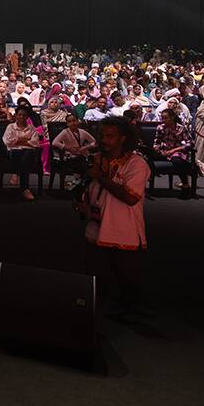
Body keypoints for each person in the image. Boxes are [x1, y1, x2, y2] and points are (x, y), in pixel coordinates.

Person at [76, 118, 150, 313]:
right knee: (95, 282)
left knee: (128, 284)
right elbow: (91, 190)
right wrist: (83, 202)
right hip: (95, 230)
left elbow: (130, 198)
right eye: (102, 135)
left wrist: (100, 177)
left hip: (123, 231)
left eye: (110, 136)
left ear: (123, 138)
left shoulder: (136, 164)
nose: (104, 140)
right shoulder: (96, 159)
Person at [2, 106, 42, 201]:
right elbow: (7, 141)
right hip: (14, 152)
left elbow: (35, 142)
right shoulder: (11, 127)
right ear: (16, 116)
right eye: (20, 115)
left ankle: (17, 173)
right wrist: (26, 140)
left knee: (27, 154)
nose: (22, 117)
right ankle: (25, 189)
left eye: (24, 115)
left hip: (28, 153)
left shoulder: (31, 128)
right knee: (23, 155)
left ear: (27, 117)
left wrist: (17, 140)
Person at [154, 104, 195, 194]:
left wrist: (173, 150)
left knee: (177, 160)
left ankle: (185, 184)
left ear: (172, 118)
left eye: (166, 118)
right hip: (164, 151)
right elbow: (157, 142)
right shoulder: (160, 127)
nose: (163, 120)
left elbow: (190, 143)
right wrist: (158, 149)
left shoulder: (181, 128)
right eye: (162, 118)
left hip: (177, 151)